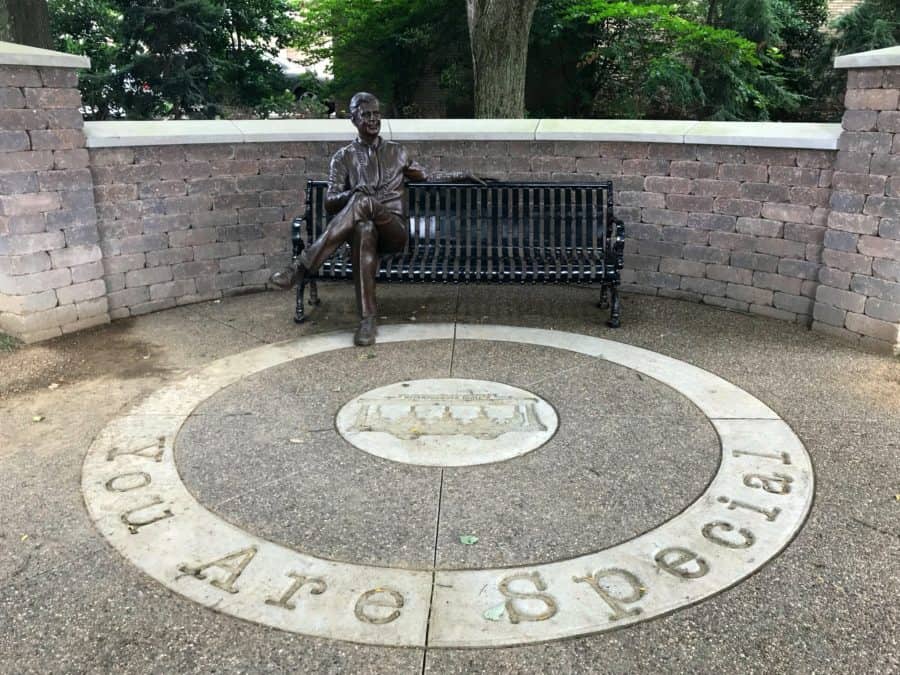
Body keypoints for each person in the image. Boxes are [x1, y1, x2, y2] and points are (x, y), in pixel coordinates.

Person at [270, 92, 484, 346]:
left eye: (376, 114)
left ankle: (301, 266)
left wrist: (462, 174)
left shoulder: (397, 152)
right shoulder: (343, 157)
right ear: (353, 120)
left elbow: (428, 176)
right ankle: (367, 321)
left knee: (365, 204)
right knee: (364, 228)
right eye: (366, 115)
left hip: (394, 231)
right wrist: (352, 192)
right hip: (364, 234)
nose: (373, 120)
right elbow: (330, 201)